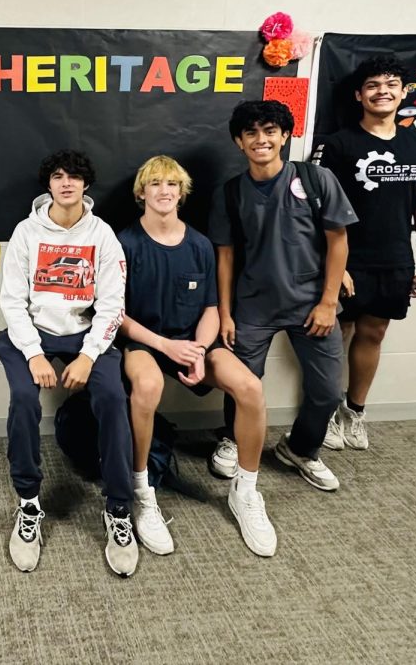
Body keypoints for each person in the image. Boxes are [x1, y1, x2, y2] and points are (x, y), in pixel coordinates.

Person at [117, 155, 277, 557]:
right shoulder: (125, 243)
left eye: (172, 184)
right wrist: (166, 346)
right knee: (148, 385)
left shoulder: (200, 244)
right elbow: (117, 317)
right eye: (155, 184)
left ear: (182, 193)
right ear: (142, 193)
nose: (164, 191)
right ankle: (142, 491)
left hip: (195, 342)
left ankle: (245, 491)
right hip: (147, 342)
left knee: (250, 387)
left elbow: (210, 309)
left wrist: (201, 351)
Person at [0, 149, 137, 576]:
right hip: (33, 334)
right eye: (58, 176)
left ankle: (118, 508)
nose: (66, 182)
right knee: (24, 399)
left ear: (86, 184)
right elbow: (12, 301)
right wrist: (34, 353)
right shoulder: (26, 232)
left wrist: (89, 355)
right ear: (49, 184)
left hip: (86, 335)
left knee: (113, 399)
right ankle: (28, 504)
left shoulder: (102, 234)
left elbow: (114, 303)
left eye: (75, 176)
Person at [209, 100, 358, 492]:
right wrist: (225, 313)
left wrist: (328, 302)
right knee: (242, 382)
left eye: (270, 131)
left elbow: (338, 240)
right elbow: (223, 257)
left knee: (326, 390)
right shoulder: (230, 193)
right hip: (253, 304)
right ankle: (233, 437)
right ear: (239, 142)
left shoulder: (315, 179)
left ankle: (302, 449)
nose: (262, 140)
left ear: (285, 136)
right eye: (252, 133)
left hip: (311, 304)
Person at [312, 56, 416, 451]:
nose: (382, 91)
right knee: (336, 335)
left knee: (374, 332)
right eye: (372, 85)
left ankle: (355, 411)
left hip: (395, 258)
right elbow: (319, 210)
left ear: (403, 93)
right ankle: (327, 413)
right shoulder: (338, 145)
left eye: (390, 84)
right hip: (347, 258)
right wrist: (337, 266)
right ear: (358, 95)